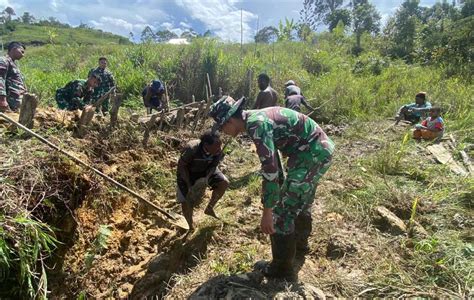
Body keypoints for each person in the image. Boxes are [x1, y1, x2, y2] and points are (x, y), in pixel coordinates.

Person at [209, 96, 334, 280]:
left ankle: (282, 270)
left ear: (230, 120)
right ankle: (299, 246)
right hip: (315, 151)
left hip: (311, 155)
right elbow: (274, 160)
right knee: (299, 201)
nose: (223, 132)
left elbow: (270, 170)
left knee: (281, 215)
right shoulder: (255, 119)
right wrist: (281, 189)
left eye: (222, 127)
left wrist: (268, 211)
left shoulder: (256, 126)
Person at [177, 130, 229, 230]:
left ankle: (209, 209)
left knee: (224, 183)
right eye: (216, 147)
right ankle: (189, 225)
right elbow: (181, 166)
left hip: (206, 170)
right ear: (206, 145)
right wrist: (189, 185)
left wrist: (206, 179)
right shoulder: (192, 149)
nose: (219, 149)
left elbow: (214, 166)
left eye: (220, 146)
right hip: (188, 172)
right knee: (186, 200)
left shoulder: (217, 150)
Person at [0, 42, 26, 112]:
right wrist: (2, 99)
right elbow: (0, 79)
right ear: (14, 49)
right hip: (10, 101)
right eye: (22, 52)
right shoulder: (4, 60)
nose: (23, 55)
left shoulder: (13, 64)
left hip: (16, 103)